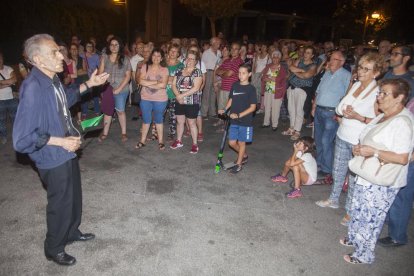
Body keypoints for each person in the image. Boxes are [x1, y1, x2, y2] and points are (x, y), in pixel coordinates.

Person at [13, 34, 109, 266]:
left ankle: (71, 231)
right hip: (52, 156)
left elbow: (66, 98)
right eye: (55, 52)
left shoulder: (53, 79)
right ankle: (53, 247)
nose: (62, 56)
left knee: (74, 195)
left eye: (60, 50)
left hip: (67, 150)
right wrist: (61, 141)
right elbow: (22, 139)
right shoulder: (33, 88)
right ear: (38, 59)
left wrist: (89, 85)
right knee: (59, 203)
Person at [340, 78, 414, 264]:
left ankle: (364, 254)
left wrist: (374, 152)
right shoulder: (384, 114)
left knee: (371, 217)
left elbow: (403, 158)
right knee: (358, 209)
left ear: (400, 98)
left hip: (381, 179)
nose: (379, 97)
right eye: (379, 92)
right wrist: (359, 148)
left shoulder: (403, 122)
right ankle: (355, 238)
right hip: (367, 172)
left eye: (384, 93)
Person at [315, 52, 383, 226]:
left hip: (358, 140)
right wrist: (342, 113)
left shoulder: (377, 92)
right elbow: (340, 106)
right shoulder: (356, 84)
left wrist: (359, 117)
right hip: (343, 134)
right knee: (338, 171)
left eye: (367, 69)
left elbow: (379, 120)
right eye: (360, 67)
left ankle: (351, 211)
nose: (361, 72)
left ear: (376, 72)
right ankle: (333, 199)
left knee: (354, 177)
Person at [312, 51, 351, 181]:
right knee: (318, 139)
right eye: (331, 58)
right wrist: (314, 106)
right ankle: (319, 163)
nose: (330, 61)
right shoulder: (327, 73)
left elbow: (348, 96)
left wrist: (339, 113)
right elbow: (319, 91)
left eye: (334, 59)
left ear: (342, 62)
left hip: (331, 113)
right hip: (319, 110)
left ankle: (327, 169)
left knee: (326, 140)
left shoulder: (346, 76)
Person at [218, 64, 257, 174]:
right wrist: (225, 109)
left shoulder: (251, 89)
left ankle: (239, 164)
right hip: (234, 120)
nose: (240, 75)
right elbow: (231, 99)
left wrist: (239, 115)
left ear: (249, 74)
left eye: (243, 73)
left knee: (241, 143)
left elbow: (253, 107)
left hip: (245, 121)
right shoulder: (235, 85)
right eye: (239, 73)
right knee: (231, 143)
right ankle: (243, 155)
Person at [98, 36, 132, 143]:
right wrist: (101, 82)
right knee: (108, 111)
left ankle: (123, 132)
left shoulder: (125, 58)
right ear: (109, 46)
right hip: (107, 88)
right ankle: (105, 132)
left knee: (120, 111)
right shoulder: (105, 57)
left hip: (121, 88)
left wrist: (119, 88)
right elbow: (100, 72)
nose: (114, 47)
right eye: (112, 44)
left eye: (116, 44)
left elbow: (128, 76)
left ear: (120, 46)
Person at [170, 50, 203, 153]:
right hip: (180, 101)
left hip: (192, 102)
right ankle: (179, 141)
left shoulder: (197, 72)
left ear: (196, 61)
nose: (189, 60)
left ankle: (195, 144)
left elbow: (196, 88)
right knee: (180, 122)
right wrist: (178, 96)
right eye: (188, 58)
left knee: (192, 123)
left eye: (192, 59)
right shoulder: (179, 70)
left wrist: (181, 96)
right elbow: (173, 84)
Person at [135, 48, 169, 150]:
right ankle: (142, 141)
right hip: (145, 98)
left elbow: (163, 85)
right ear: (151, 56)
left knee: (159, 120)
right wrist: (156, 83)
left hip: (160, 99)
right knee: (146, 120)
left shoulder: (164, 69)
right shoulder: (145, 67)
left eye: (159, 56)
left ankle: (161, 141)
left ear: (162, 58)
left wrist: (148, 83)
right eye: (154, 55)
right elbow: (141, 82)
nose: (156, 58)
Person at [282, 46, 317, 141]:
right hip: (292, 87)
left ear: (312, 55)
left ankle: (297, 131)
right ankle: (291, 128)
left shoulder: (313, 65)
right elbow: (291, 67)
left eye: (309, 53)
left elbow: (306, 76)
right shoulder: (299, 60)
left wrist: (297, 71)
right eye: (306, 52)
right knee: (291, 109)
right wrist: (301, 70)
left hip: (302, 90)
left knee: (299, 111)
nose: (306, 54)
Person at [215, 42, 244, 132]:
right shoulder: (227, 61)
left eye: (236, 49)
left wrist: (224, 73)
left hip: (232, 89)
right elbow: (217, 71)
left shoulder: (239, 61)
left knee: (231, 110)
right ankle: (224, 125)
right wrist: (225, 73)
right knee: (223, 109)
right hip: (223, 88)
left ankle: (229, 128)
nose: (233, 50)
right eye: (232, 48)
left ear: (239, 51)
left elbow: (229, 73)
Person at [260, 50, 288, 131]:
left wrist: (271, 78)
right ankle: (266, 123)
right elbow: (263, 77)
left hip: (277, 91)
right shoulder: (268, 66)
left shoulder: (282, 68)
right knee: (267, 107)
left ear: (280, 58)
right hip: (267, 90)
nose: (275, 59)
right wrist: (265, 79)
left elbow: (281, 80)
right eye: (274, 57)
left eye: (277, 57)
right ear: (272, 58)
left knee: (276, 108)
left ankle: (274, 125)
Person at [166, 44, 184, 141]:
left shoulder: (181, 65)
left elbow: (179, 80)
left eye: (175, 51)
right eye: (171, 50)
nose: (173, 53)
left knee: (172, 116)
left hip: (174, 94)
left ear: (178, 54)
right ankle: (155, 133)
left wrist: (167, 79)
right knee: (158, 113)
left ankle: (171, 133)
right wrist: (171, 79)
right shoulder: (163, 63)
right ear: (168, 52)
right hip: (162, 94)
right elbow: (158, 77)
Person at [0, 50, 18, 145]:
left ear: (3, 59)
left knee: (15, 119)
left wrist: (2, 83)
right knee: (1, 121)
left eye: (0, 58)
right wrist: (9, 82)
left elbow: (14, 80)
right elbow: (11, 82)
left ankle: (17, 136)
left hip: (12, 98)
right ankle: (3, 136)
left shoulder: (8, 68)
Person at [201, 37, 221, 119]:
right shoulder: (206, 53)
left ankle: (212, 112)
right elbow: (202, 65)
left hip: (216, 73)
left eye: (219, 43)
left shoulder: (219, 52)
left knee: (214, 92)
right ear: (212, 43)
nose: (219, 44)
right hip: (208, 72)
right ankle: (204, 113)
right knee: (206, 93)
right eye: (218, 43)